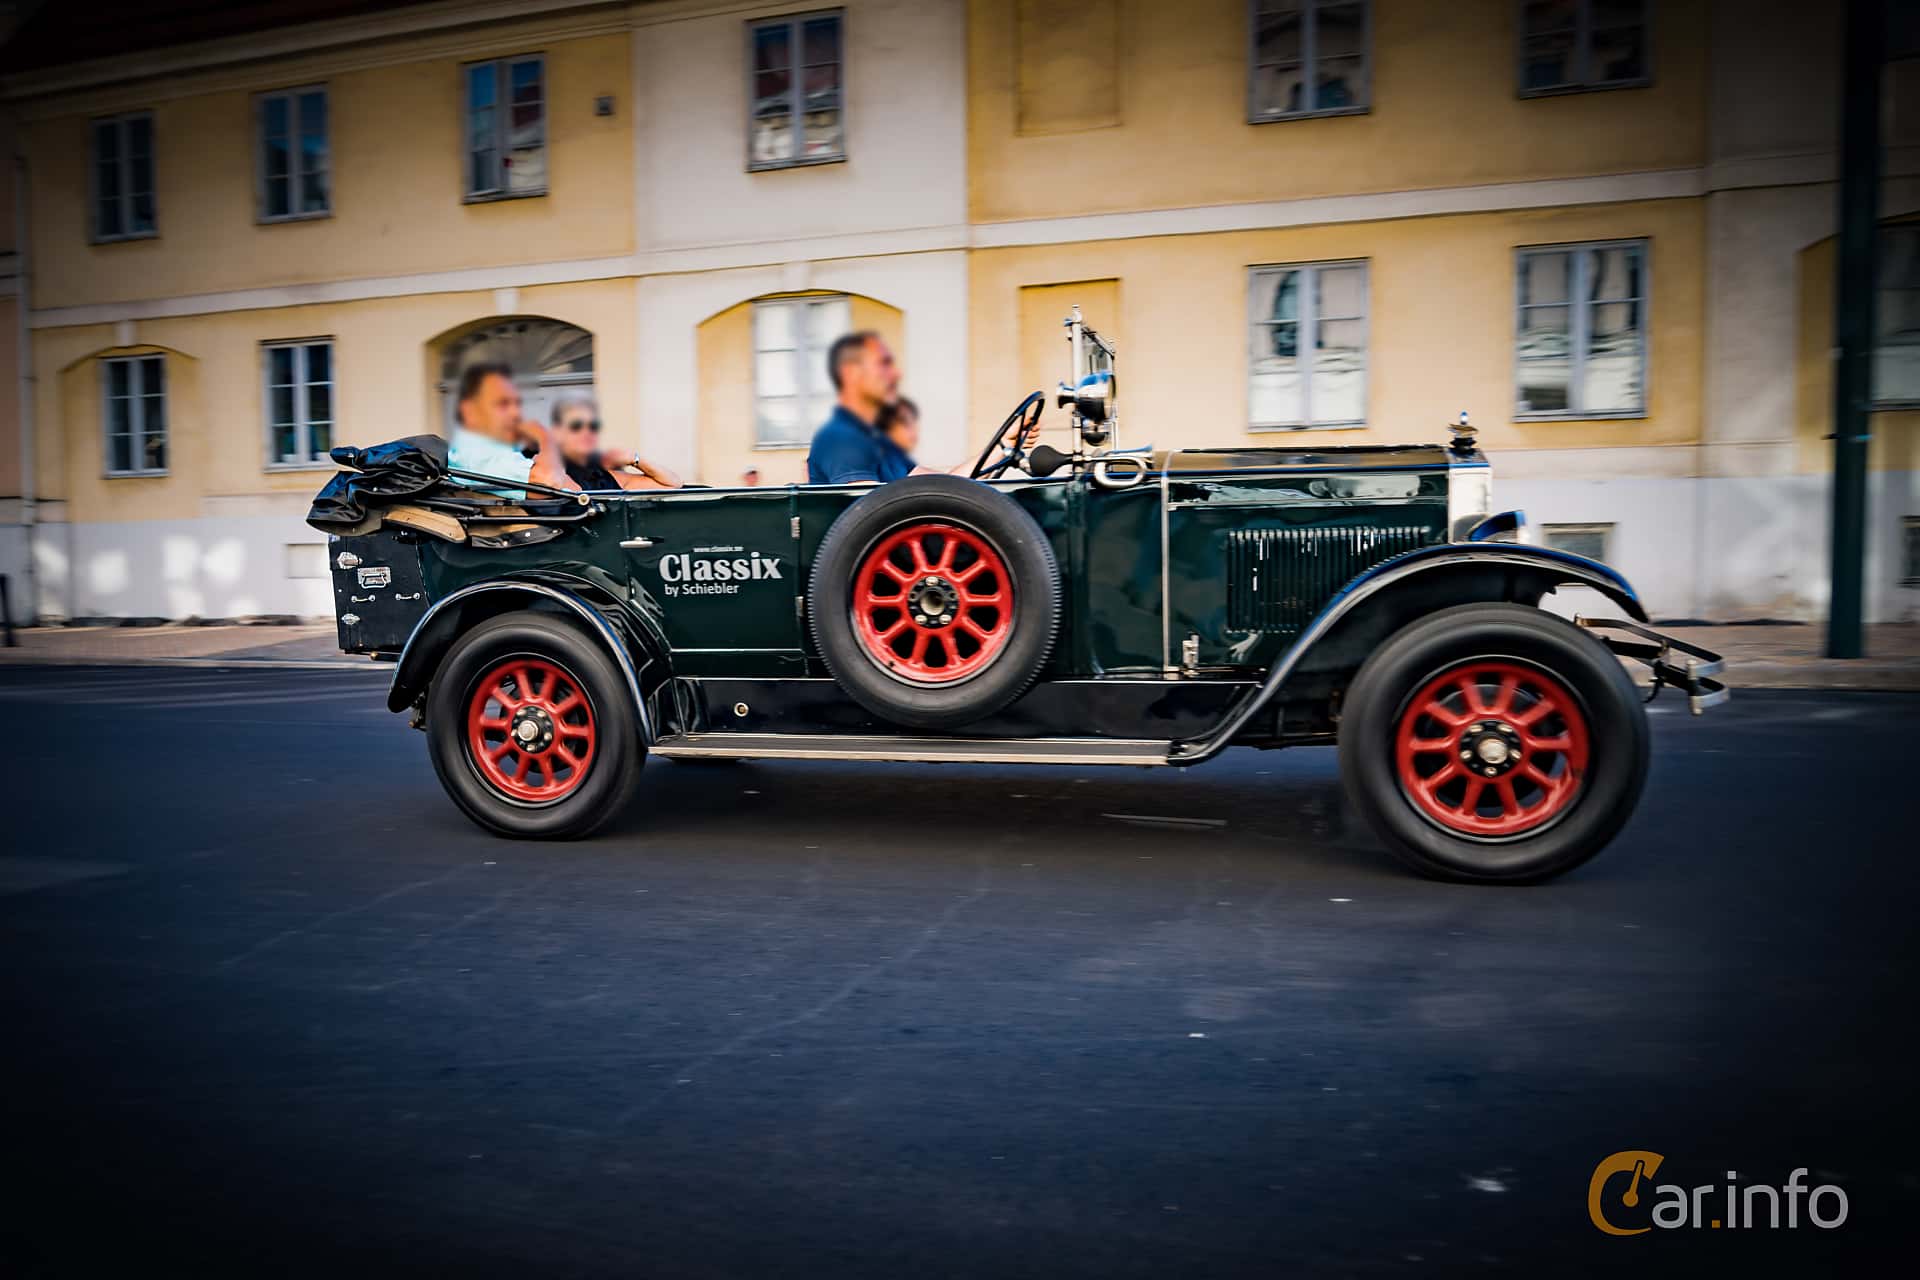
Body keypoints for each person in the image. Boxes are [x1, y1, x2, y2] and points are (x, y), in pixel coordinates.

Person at [448, 362, 579, 494]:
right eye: (502, 404)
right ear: (470, 411)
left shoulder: (491, 449)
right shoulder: (477, 453)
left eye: (517, 403)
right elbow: (550, 482)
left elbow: (572, 487)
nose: (516, 413)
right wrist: (543, 436)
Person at [806, 331, 914, 485]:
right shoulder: (842, 438)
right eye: (884, 363)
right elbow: (876, 500)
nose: (897, 374)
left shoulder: (879, 438)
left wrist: (952, 478)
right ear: (851, 373)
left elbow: (933, 483)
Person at [551, 395, 680, 491]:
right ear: (558, 431)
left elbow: (672, 484)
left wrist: (634, 459)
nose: (587, 432)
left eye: (593, 426)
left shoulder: (602, 474)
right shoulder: (546, 470)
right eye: (576, 425)